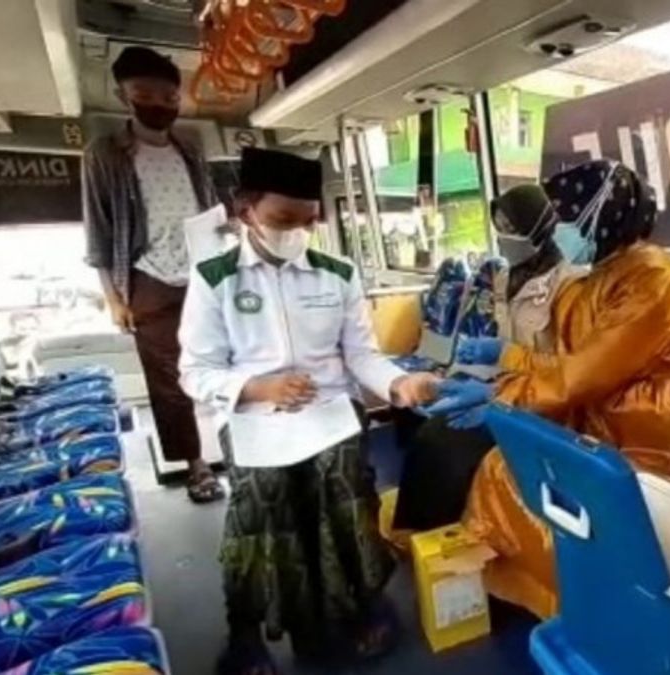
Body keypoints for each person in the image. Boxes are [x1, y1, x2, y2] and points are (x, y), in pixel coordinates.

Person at [430, 160, 670, 618]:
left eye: (567, 220)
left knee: (558, 493)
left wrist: (500, 399)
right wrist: (506, 359)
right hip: (612, 418)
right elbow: (575, 367)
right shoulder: (608, 275)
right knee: (502, 466)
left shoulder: (657, 285)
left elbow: (577, 378)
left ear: (603, 218)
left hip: (667, 437)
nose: (559, 233)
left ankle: (590, 608)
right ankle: (540, 593)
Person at [177, 148, 439, 674]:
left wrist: (400, 382)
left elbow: (361, 355)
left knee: (347, 498)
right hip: (256, 424)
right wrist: (256, 387)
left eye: (307, 221)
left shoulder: (335, 272)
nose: (296, 232)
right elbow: (195, 370)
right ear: (247, 208)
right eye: (282, 220)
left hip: (329, 416)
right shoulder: (215, 278)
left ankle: (363, 602)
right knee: (260, 511)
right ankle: (245, 633)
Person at [391, 184, 585, 533]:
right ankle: (420, 539)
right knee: (432, 432)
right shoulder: (506, 278)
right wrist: (472, 376)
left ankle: (448, 538)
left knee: (452, 452)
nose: (502, 238)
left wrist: (498, 396)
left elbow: (568, 372)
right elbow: (506, 345)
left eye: (511, 230)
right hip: (505, 389)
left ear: (538, 227)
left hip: (546, 405)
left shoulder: (570, 287)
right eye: (498, 229)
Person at [82, 46, 223, 503]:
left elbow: (205, 208)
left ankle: (245, 443)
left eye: (167, 95)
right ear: (124, 96)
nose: (158, 103)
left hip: (203, 273)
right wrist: (114, 297)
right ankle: (196, 465)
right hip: (148, 279)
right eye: (144, 93)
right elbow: (99, 232)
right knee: (168, 380)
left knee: (227, 361)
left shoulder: (190, 147)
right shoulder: (105, 154)